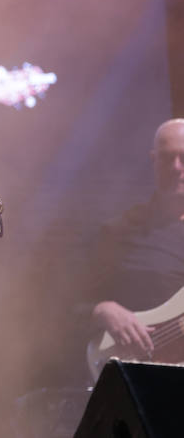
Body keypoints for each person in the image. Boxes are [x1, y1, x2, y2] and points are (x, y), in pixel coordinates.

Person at [85, 118, 184, 372]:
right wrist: (102, 310)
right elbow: (68, 303)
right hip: (141, 380)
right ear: (153, 160)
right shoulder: (121, 230)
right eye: (167, 157)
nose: (176, 167)